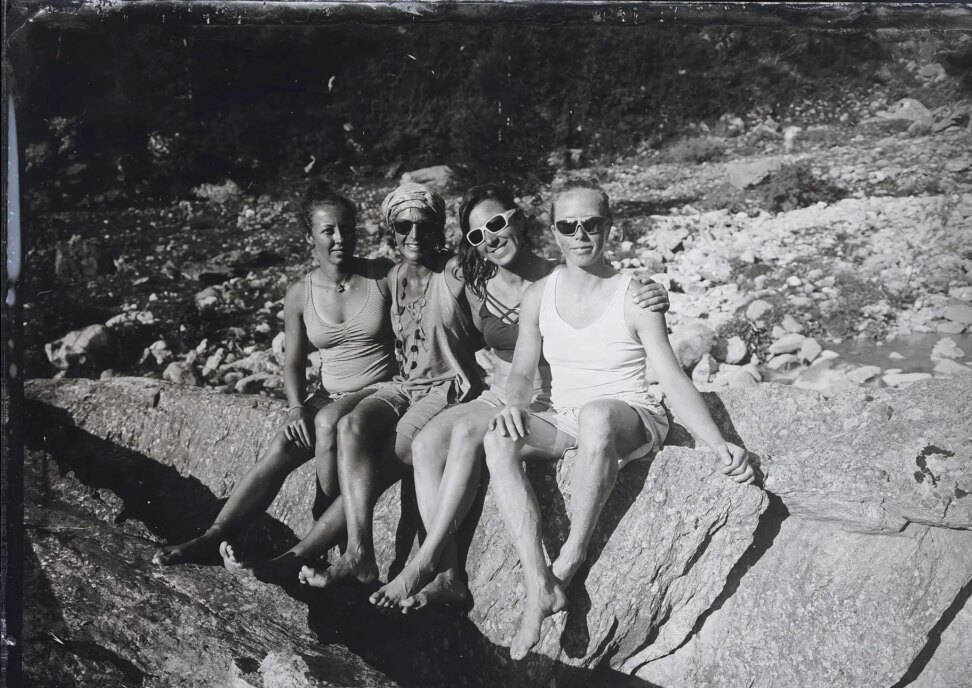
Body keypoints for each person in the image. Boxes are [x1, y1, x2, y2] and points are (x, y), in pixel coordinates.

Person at [482, 181, 755, 660]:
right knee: (497, 440)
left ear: (608, 228)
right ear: (553, 231)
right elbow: (523, 371)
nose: (581, 235)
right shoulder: (537, 296)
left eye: (592, 224)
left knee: (596, 416)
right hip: (564, 416)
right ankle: (538, 584)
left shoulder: (635, 295)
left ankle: (570, 557)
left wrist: (718, 442)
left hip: (628, 413)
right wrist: (513, 406)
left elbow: (669, 375)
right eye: (569, 225)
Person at [368, 184, 671, 611]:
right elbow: (428, 295)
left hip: (550, 398)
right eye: (476, 235)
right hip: (502, 392)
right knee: (425, 444)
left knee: (471, 436)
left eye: (496, 224)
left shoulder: (560, 270)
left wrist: (655, 292)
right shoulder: (474, 281)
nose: (489, 238)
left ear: (519, 220)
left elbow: (607, 287)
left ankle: (425, 561)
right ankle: (448, 572)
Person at [221, 182, 485, 586]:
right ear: (391, 231)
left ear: (439, 228)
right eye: (402, 225)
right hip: (405, 386)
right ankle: (346, 550)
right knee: (347, 425)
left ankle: (313, 556)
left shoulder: (451, 270)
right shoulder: (393, 277)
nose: (414, 235)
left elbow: (498, 310)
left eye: (424, 225)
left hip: (447, 391)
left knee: (375, 470)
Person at [152, 181, 396, 567]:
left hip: (379, 392)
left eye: (346, 228)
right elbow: (293, 362)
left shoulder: (382, 275)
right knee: (283, 446)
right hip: (329, 395)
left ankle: (316, 545)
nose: (339, 238)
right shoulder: (300, 293)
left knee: (329, 429)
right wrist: (297, 407)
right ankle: (212, 536)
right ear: (309, 236)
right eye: (328, 230)